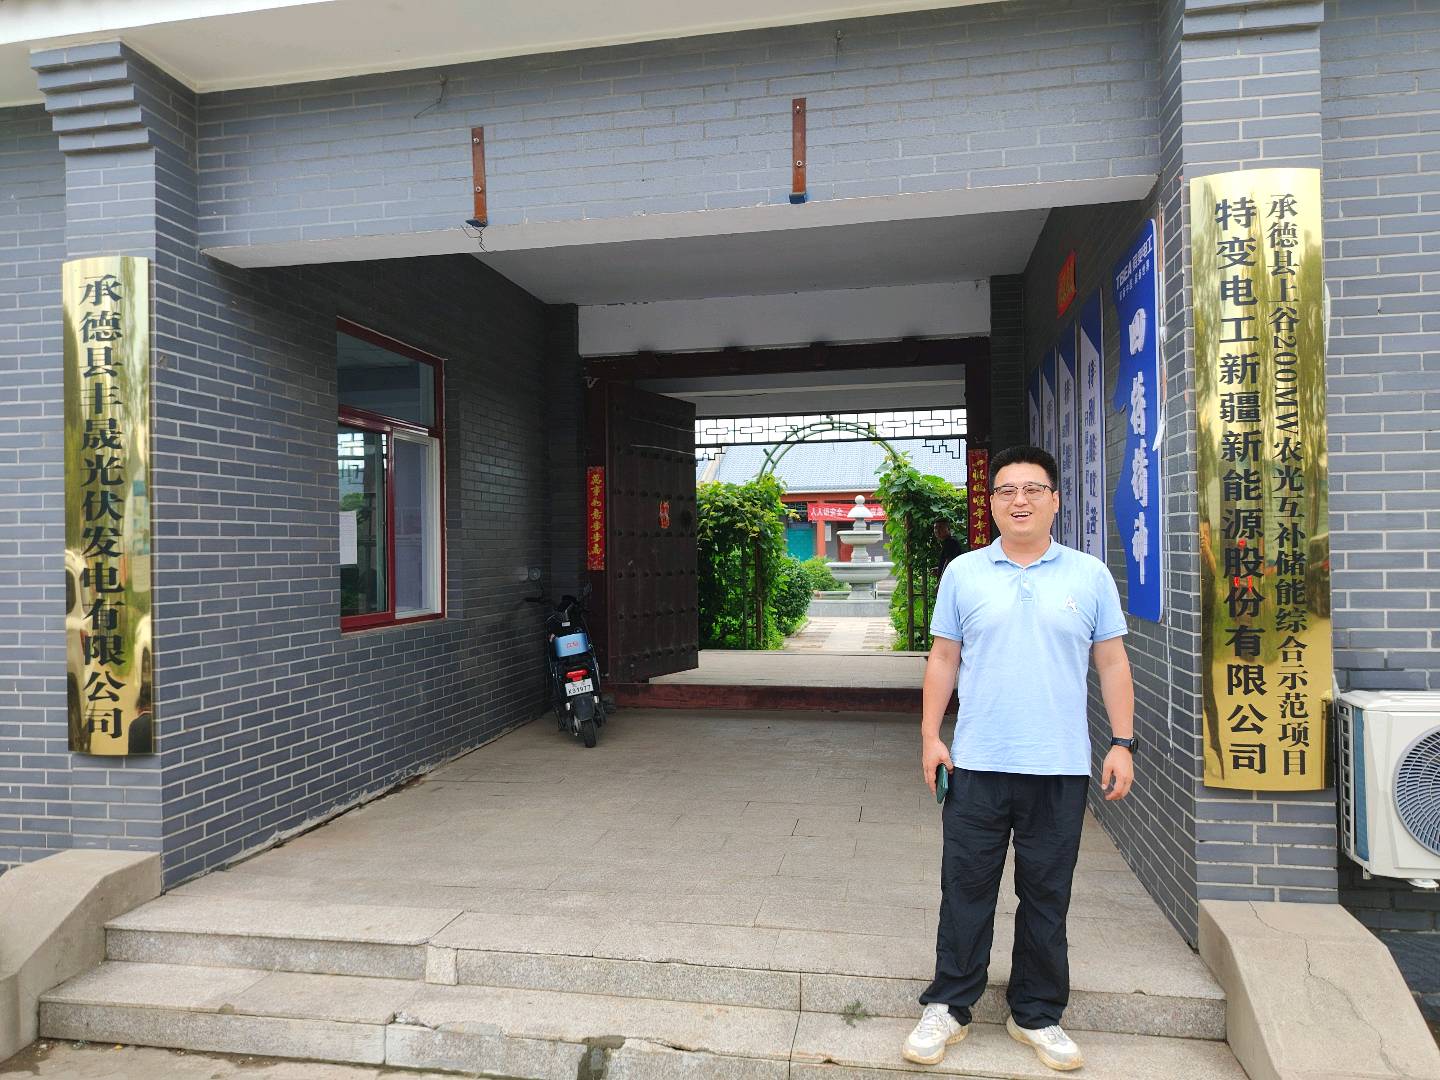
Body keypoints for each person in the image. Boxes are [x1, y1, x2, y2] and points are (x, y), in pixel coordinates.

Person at [902, 444, 1136, 1072]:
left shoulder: (1089, 575)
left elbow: (1112, 661)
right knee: (965, 888)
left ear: (1055, 500)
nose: (1020, 500)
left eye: (1033, 489)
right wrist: (930, 736)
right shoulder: (964, 573)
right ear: (993, 502)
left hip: (1059, 767)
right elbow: (943, 658)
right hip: (978, 763)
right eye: (1006, 490)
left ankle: (1036, 1013)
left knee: (1046, 895)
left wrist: (1123, 742)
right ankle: (949, 1005)